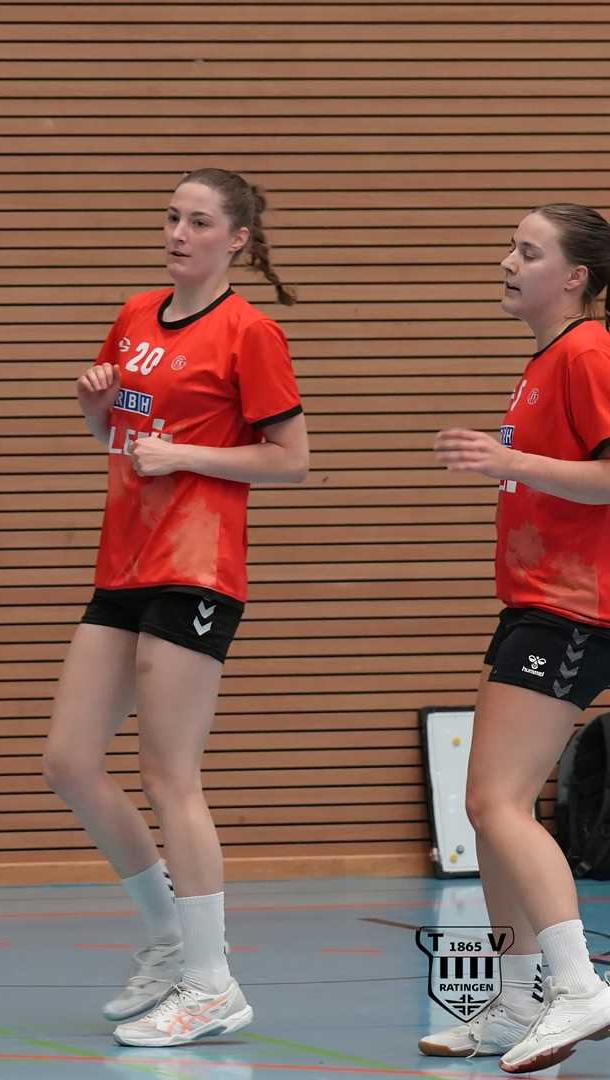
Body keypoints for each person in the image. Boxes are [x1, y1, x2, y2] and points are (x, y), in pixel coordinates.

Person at [38, 169, 309, 1046]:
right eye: (171, 217)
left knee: (168, 774)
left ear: (236, 239)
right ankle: (166, 938)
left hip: (197, 567)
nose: (178, 233)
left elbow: (291, 459)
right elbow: (124, 440)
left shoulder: (250, 332)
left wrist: (188, 454)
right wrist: (97, 412)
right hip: (124, 562)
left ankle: (211, 983)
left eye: (198, 222)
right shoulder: (135, 315)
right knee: (68, 761)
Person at [425, 203, 610, 1073]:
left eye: (528, 252)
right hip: (534, 604)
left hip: (575, 609)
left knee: (497, 803)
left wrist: (511, 463)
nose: (507, 261)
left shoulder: (588, 352)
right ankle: (512, 1003)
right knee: (487, 807)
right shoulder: (542, 361)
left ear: (574, 277)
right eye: (511, 247)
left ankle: (578, 986)